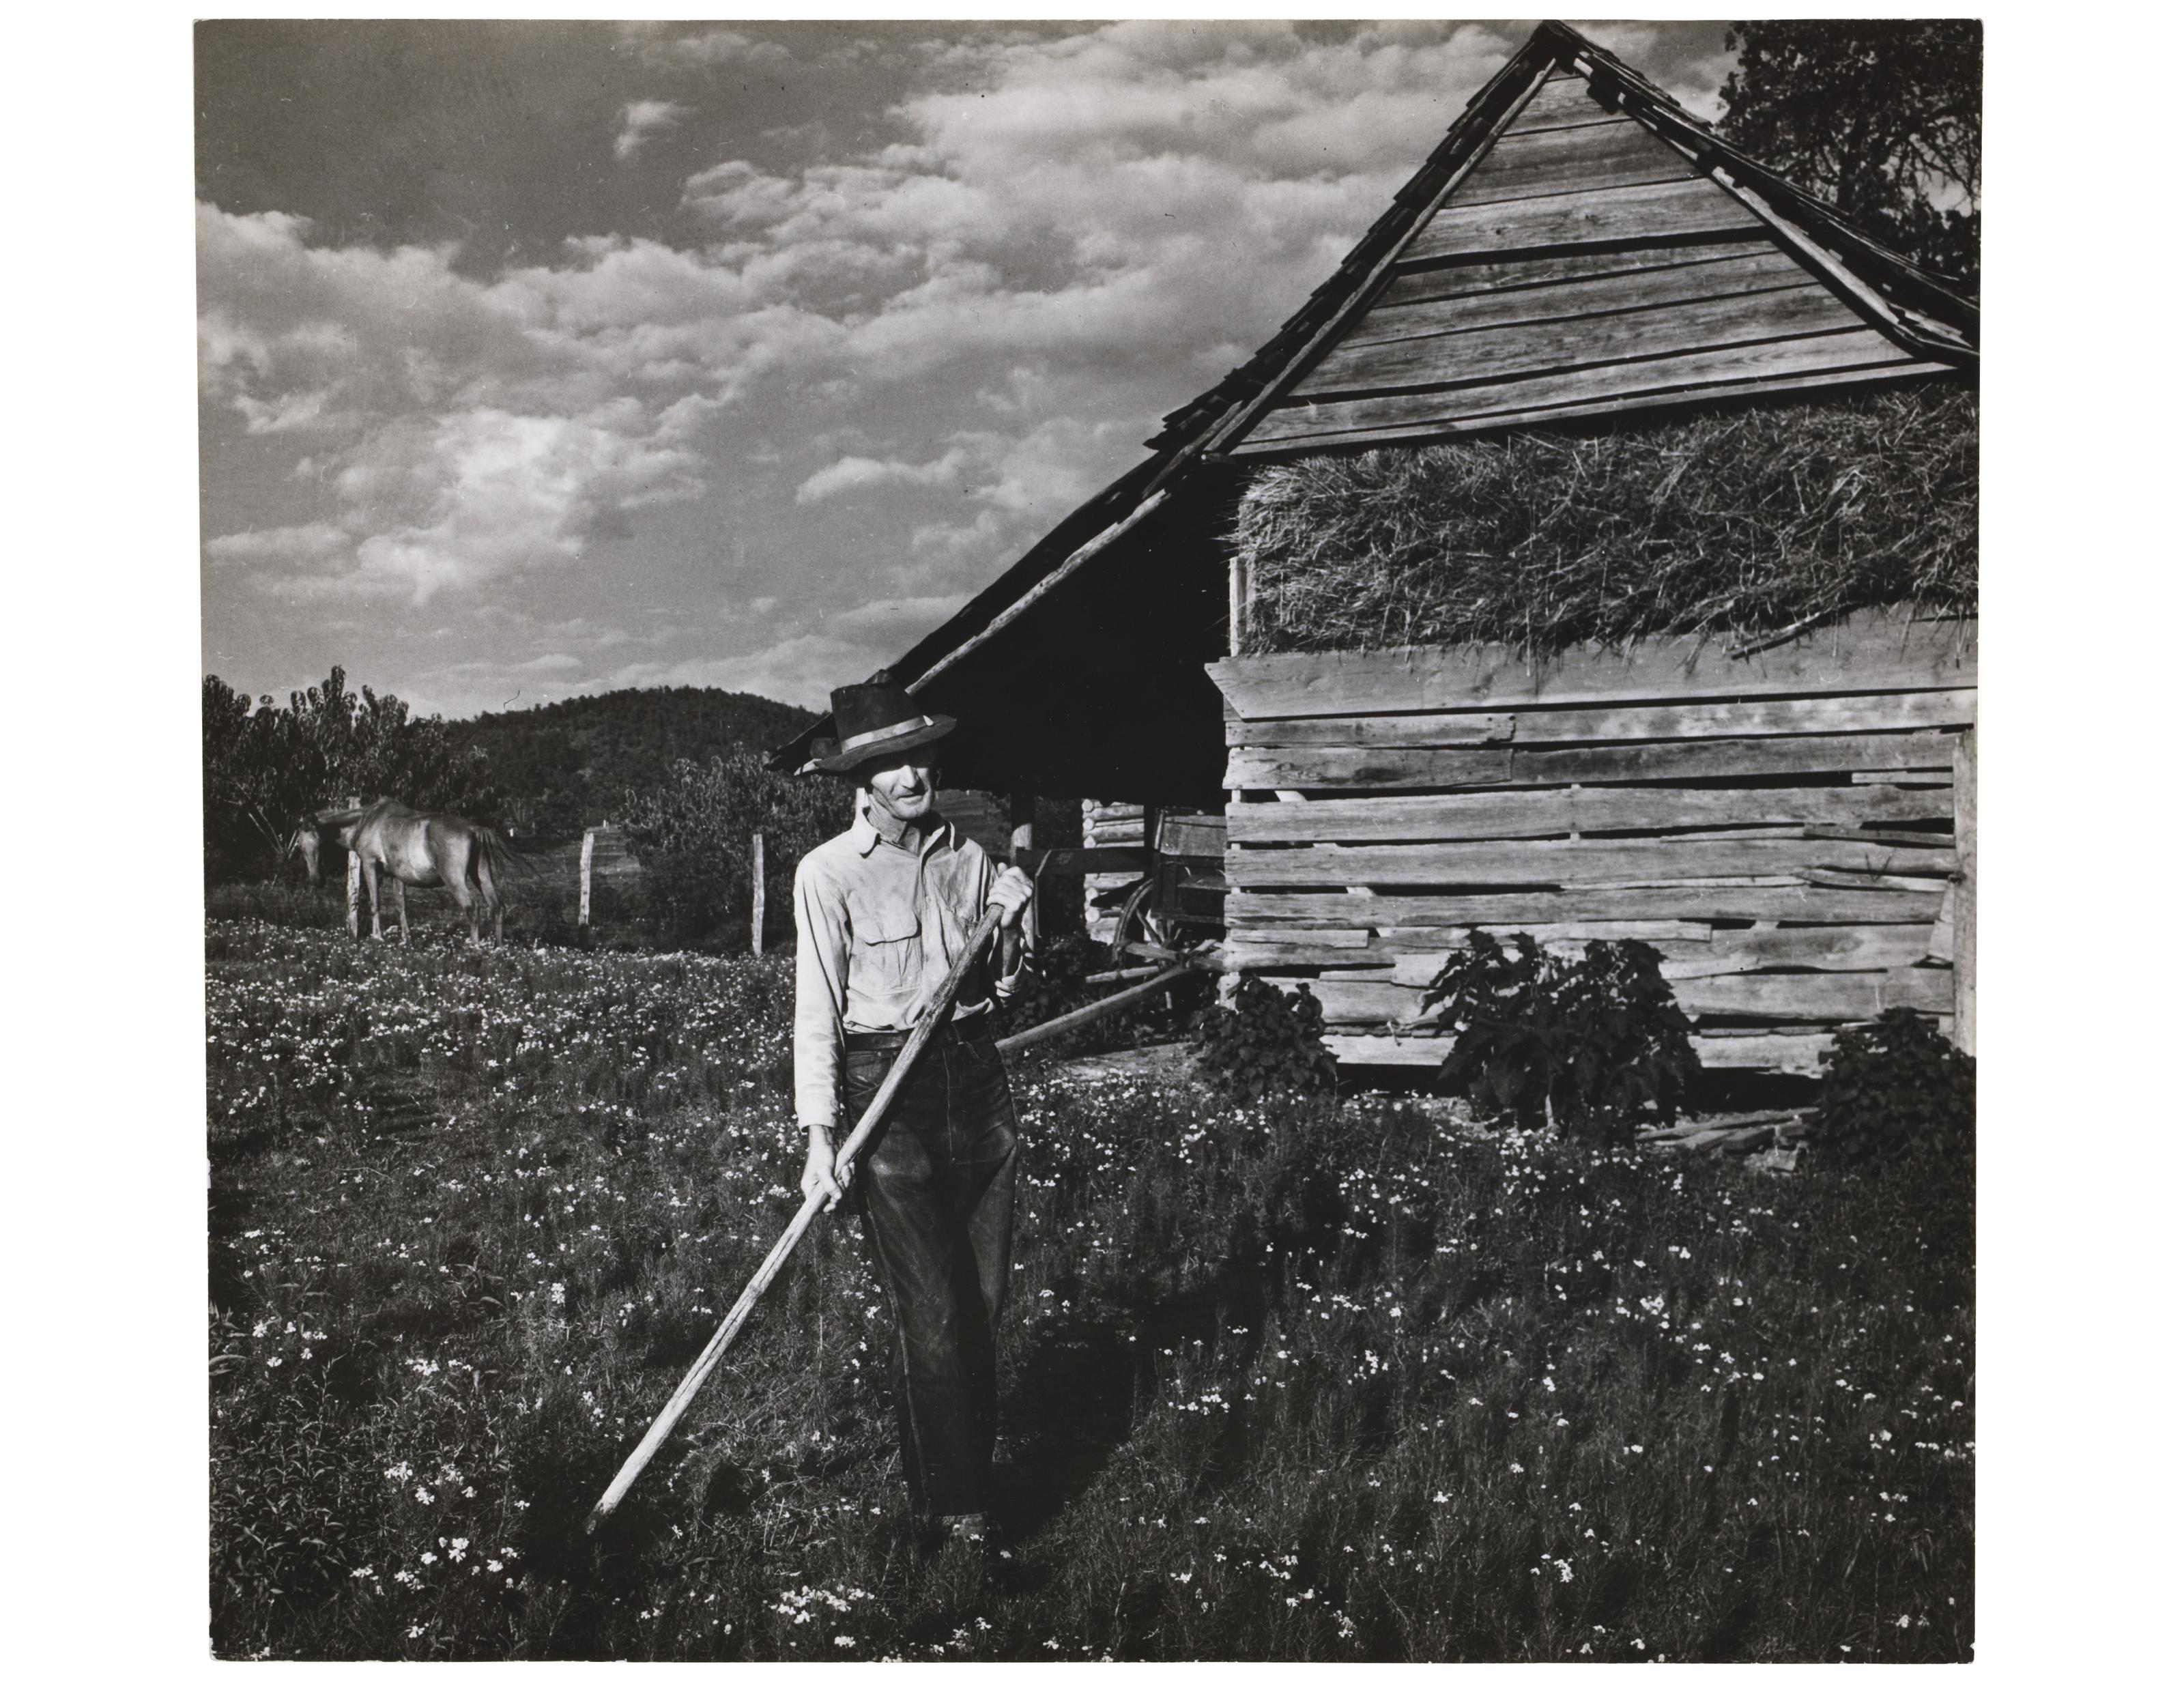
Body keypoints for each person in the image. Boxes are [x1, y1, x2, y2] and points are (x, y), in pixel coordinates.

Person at [790, 674, 1035, 1556]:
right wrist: (822, 1138)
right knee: (930, 1315)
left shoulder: (970, 858)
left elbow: (1001, 992)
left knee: (982, 1308)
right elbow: (816, 1009)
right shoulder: (825, 877)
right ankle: (960, 1516)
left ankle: (948, 1483)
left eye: (918, 754)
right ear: (861, 781)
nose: (912, 774)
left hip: (976, 1079)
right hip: (884, 1095)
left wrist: (1010, 926)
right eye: (891, 762)